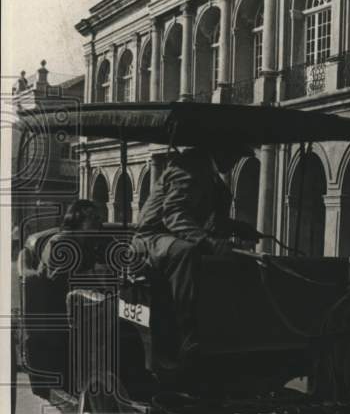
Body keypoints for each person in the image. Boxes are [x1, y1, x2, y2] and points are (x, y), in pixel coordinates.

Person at [133, 140, 262, 364]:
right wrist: (207, 241)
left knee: (237, 259)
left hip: (174, 235)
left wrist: (238, 228)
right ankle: (186, 333)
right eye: (233, 157)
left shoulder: (211, 177)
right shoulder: (190, 167)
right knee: (186, 252)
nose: (233, 164)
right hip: (151, 237)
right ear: (219, 150)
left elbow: (212, 221)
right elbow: (174, 214)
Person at [38, 199, 105, 285]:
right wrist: (94, 273)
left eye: (99, 218)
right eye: (94, 218)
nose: (99, 222)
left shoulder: (87, 241)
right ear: (78, 217)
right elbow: (57, 281)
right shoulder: (61, 242)